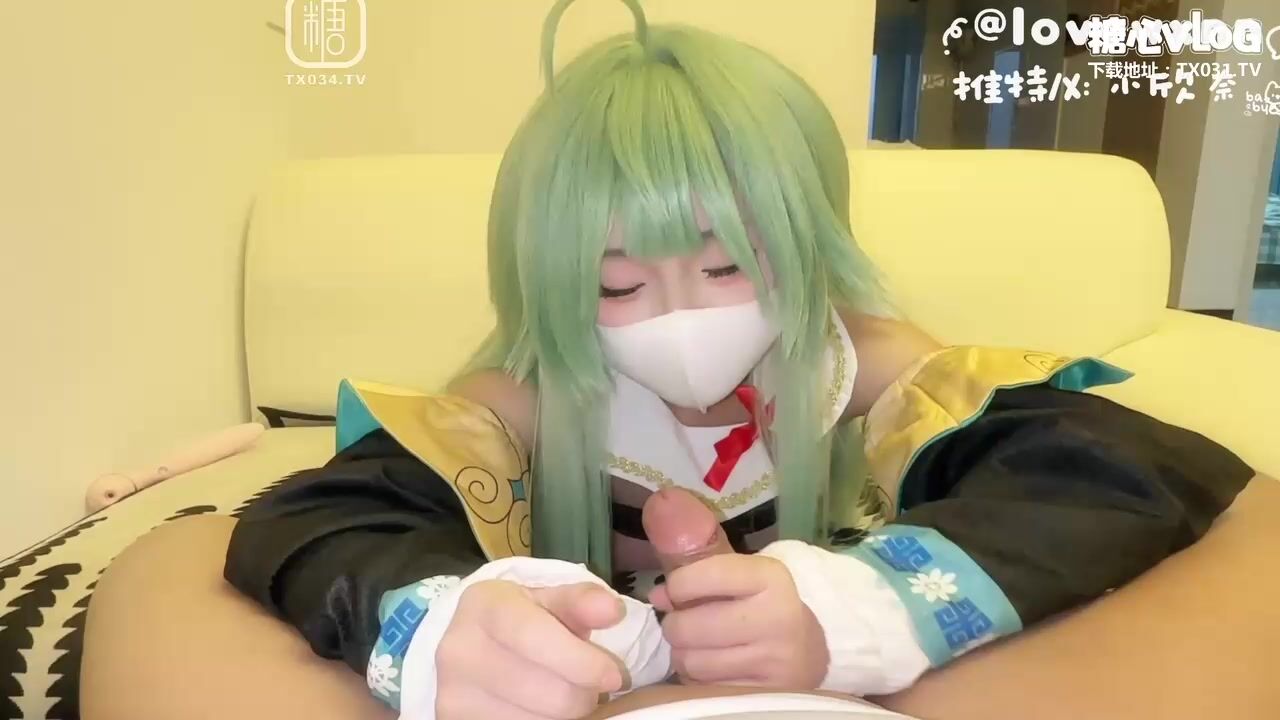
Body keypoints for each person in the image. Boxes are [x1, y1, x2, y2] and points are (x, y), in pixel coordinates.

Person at [82, 1, 1266, 719]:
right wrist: (443, 628)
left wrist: (863, 608)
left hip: (854, 685)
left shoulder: (861, 362)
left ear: (806, 251)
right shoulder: (527, 394)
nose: (677, 317)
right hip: (592, 684)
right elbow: (331, 517)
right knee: (176, 564)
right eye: (615, 286)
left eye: (727, 267)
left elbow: (1114, 469)